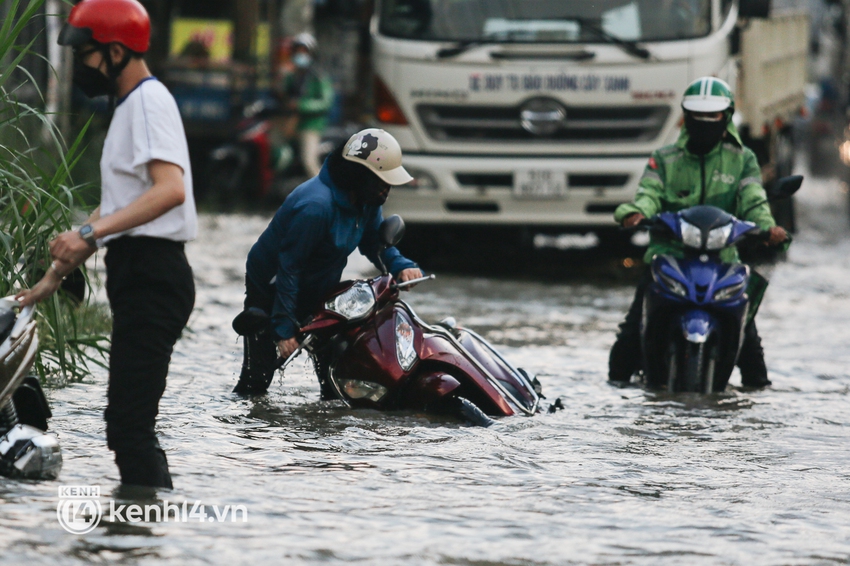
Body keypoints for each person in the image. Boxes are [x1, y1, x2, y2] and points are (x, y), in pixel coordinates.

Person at [16, 0, 196, 488]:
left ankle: (139, 539)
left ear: (115, 51)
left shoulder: (148, 103)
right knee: (127, 424)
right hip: (140, 272)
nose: (83, 67)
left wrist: (89, 233)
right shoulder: (130, 107)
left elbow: (169, 190)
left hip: (154, 275)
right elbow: (121, 204)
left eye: (89, 55)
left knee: (129, 427)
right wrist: (52, 278)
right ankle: (133, 536)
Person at [608, 77, 787, 388]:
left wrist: (768, 228)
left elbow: (754, 200)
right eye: (697, 116)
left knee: (753, 354)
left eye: (712, 116)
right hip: (670, 257)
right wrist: (636, 214)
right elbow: (648, 193)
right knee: (630, 333)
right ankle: (615, 395)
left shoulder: (742, 160)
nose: (704, 123)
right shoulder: (664, 159)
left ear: (727, 117)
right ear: (685, 117)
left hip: (724, 260)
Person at [234, 128, 423, 395]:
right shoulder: (316, 206)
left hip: (320, 286)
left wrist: (400, 265)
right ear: (360, 176)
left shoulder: (367, 200)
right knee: (256, 381)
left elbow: (374, 242)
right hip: (273, 287)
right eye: (382, 181)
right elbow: (289, 269)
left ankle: (326, 431)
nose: (387, 189)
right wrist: (284, 329)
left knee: (335, 372)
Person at [272, 32, 334, 178]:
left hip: (310, 125)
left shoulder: (318, 76)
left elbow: (325, 103)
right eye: (297, 51)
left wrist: (301, 105)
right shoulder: (292, 75)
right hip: (290, 123)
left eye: (304, 51)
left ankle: (323, 193)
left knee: (308, 161)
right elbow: (283, 95)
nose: (300, 55)